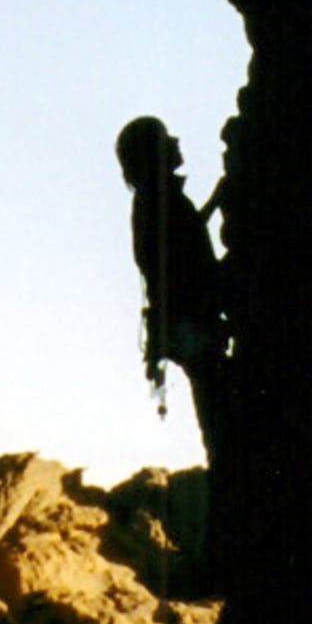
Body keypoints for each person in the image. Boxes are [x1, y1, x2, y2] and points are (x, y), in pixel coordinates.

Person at [116, 117, 226, 412]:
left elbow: (182, 239)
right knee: (219, 407)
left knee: (216, 406)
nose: (175, 141)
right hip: (190, 322)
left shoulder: (154, 201)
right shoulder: (157, 201)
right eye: (166, 138)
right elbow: (181, 251)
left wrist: (216, 199)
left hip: (184, 323)